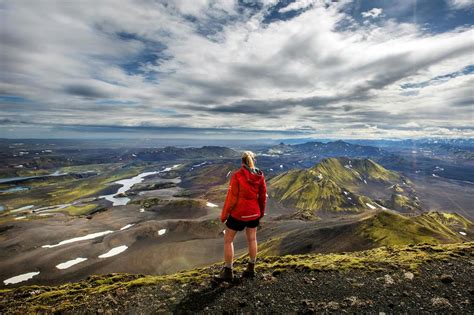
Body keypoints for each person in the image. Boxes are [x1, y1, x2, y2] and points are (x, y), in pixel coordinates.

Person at [219, 151, 267, 281]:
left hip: (238, 214)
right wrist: (260, 212)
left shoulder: (237, 176)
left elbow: (231, 198)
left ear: (242, 162)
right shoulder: (259, 176)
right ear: (253, 160)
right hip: (254, 213)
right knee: (252, 239)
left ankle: (228, 271)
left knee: (228, 240)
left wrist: (224, 215)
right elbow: (262, 197)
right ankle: (251, 268)